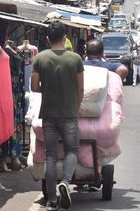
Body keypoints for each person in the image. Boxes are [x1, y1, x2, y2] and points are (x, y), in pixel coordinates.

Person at [31, 23, 84, 210]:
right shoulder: (75, 59)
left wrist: (48, 88)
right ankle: (66, 182)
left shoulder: (40, 58)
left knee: (51, 156)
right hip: (69, 113)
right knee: (72, 150)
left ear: (47, 39)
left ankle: (51, 201)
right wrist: (76, 107)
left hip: (48, 114)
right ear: (65, 37)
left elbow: (34, 87)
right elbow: (80, 88)